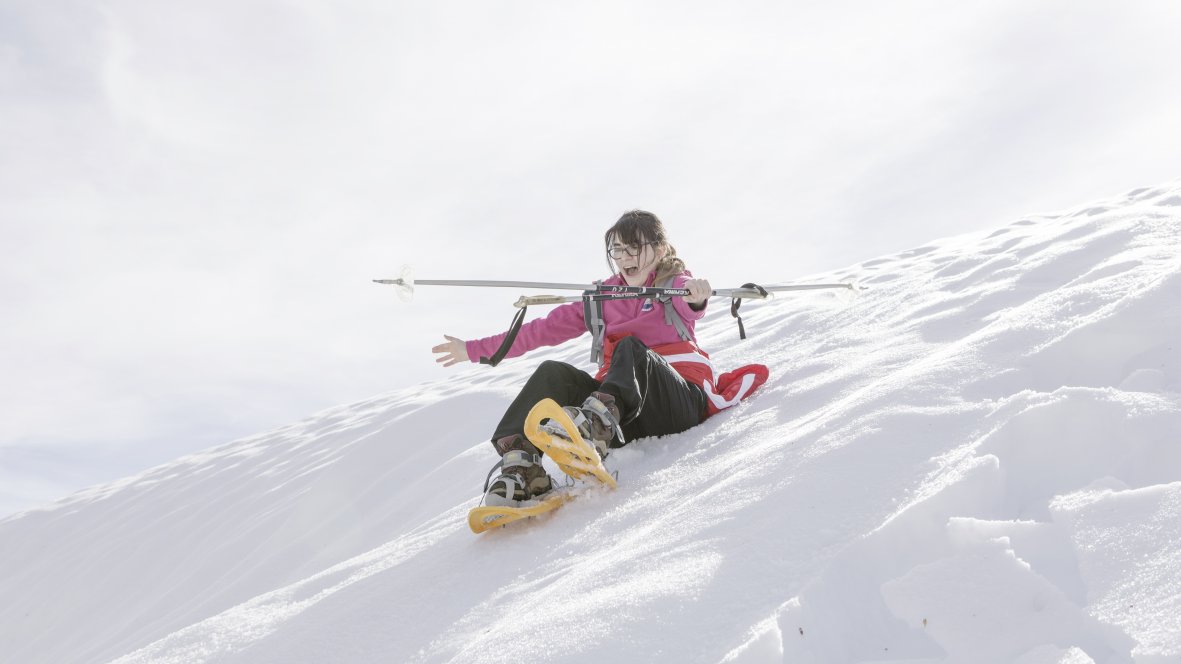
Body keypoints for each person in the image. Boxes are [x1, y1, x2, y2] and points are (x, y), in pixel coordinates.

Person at [432, 210, 768, 506]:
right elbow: (541, 330)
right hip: (628, 417)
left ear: (660, 249)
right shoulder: (603, 297)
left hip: (676, 403)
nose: (625, 257)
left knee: (630, 347)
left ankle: (593, 427)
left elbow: (690, 305)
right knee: (552, 373)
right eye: (618, 249)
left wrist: (697, 297)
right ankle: (522, 468)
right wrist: (473, 349)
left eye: (634, 246)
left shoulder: (672, 283)